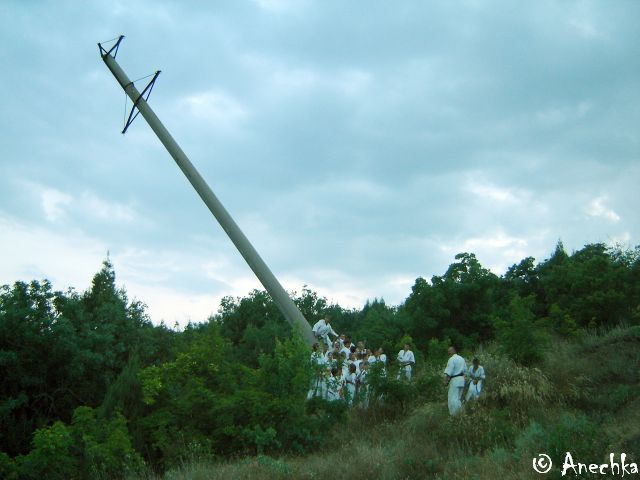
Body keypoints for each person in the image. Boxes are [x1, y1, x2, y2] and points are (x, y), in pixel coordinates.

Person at [444, 346, 467, 416]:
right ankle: (460, 413)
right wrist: (464, 380)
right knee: (458, 398)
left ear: (454, 351)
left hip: (455, 380)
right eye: (448, 351)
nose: (448, 353)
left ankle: (454, 415)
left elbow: (448, 372)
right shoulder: (462, 359)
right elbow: (466, 371)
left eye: (449, 351)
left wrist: (445, 382)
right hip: (461, 380)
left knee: (452, 398)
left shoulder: (452, 359)